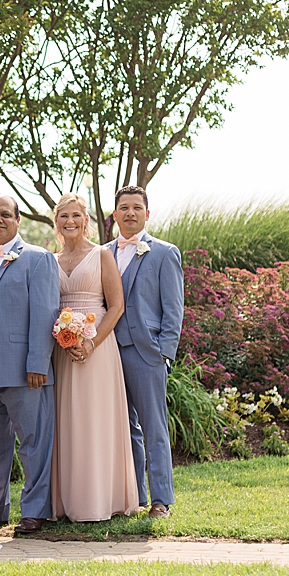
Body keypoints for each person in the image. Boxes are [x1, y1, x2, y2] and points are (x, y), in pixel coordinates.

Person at [0, 194, 62, 533]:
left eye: (5, 214)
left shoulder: (38, 259)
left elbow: (45, 312)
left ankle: (35, 510)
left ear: (18, 219)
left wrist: (38, 362)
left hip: (25, 371)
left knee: (34, 442)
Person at [50, 193, 140, 522]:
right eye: (64, 216)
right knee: (68, 421)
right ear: (56, 221)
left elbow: (116, 306)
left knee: (97, 419)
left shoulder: (102, 255)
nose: (70, 221)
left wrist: (91, 343)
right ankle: (70, 501)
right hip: (63, 349)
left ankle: (105, 499)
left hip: (98, 348)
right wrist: (62, 336)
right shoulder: (52, 260)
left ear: (85, 220)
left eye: (76, 215)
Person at [107, 186, 185, 518]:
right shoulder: (103, 253)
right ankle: (135, 497)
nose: (129, 213)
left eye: (136, 208)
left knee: (154, 427)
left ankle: (161, 501)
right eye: (123, 208)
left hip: (146, 353)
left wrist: (163, 352)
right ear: (114, 215)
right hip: (108, 353)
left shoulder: (164, 253)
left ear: (147, 214)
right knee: (124, 428)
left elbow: (174, 309)